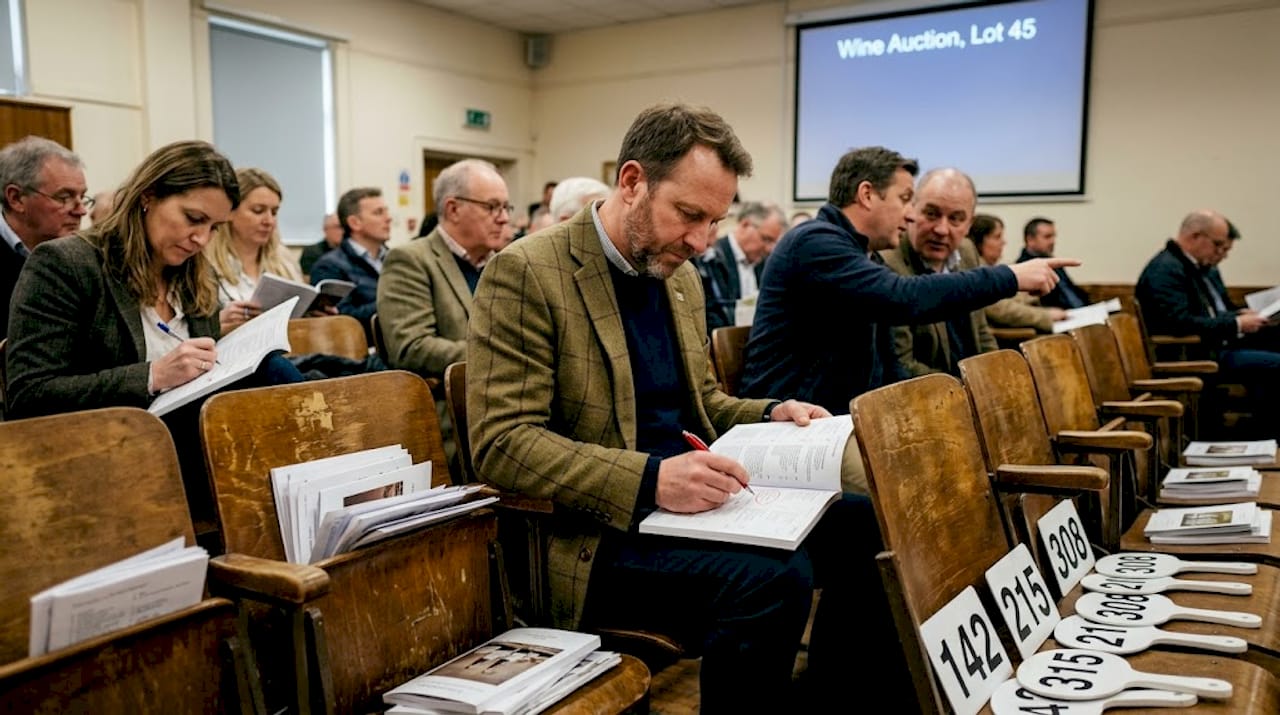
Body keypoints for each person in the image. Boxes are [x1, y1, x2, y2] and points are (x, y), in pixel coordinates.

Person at [468, 102, 915, 713]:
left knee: (868, 525)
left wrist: (770, 412)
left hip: (688, 506)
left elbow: (700, 404)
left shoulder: (678, 275)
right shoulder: (528, 272)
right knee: (774, 581)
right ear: (632, 183)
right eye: (689, 215)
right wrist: (652, 478)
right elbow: (502, 444)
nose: (703, 241)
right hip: (593, 533)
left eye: (715, 221)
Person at [5, 141, 303, 524]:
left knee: (271, 372)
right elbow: (30, 394)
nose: (201, 239)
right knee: (275, 385)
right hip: (109, 450)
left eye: (214, 228)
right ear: (148, 196)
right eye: (193, 218)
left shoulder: (196, 276)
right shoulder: (67, 264)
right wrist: (152, 376)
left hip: (196, 446)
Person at [1135, 210, 1279, 437]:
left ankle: (1263, 434)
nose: (1221, 254)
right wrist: (1236, 324)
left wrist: (1238, 314)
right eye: (1218, 246)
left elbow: (1216, 309)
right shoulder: (1165, 270)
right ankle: (1264, 435)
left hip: (1216, 343)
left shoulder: (1202, 266)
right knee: (1275, 364)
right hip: (1195, 353)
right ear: (1195, 236)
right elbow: (1178, 323)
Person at [880, 168, 997, 377]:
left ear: (969, 224)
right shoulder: (888, 264)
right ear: (912, 210)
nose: (942, 230)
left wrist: (994, 377)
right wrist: (963, 390)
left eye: (956, 219)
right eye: (931, 214)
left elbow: (981, 332)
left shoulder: (967, 252)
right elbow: (903, 364)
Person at [0, 136, 89, 336]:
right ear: (16, 199)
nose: (81, 210)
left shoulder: (82, 258)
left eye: (82, 197)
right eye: (64, 197)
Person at [205, 168, 306, 334]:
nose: (269, 221)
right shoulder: (205, 262)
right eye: (258, 211)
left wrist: (311, 314)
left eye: (274, 212)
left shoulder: (285, 261)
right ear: (230, 212)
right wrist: (217, 322)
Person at [310, 187, 391, 342]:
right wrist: (393, 302)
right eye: (378, 213)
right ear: (355, 223)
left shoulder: (395, 259)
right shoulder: (329, 266)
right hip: (366, 352)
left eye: (386, 212)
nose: (388, 218)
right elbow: (343, 321)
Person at [696, 201, 783, 330]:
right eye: (766, 239)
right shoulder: (711, 259)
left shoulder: (766, 264)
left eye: (774, 242)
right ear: (745, 225)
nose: (770, 248)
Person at [971, 214, 1066, 333]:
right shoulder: (976, 273)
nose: (1004, 242)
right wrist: (1045, 316)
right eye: (997, 237)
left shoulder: (995, 269)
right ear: (979, 241)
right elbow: (1001, 309)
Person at [1018, 216, 1091, 309]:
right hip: (1058, 318)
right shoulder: (1024, 267)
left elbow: (1071, 291)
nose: (1053, 241)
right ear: (1030, 240)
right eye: (1047, 237)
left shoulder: (1053, 262)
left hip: (1082, 311)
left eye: (1053, 236)